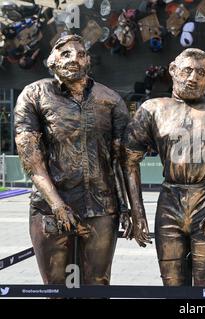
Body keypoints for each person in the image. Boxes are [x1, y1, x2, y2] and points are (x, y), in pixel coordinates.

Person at [14, 35, 131, 286]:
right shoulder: (33, 94)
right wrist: (57, 204)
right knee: (55, 287)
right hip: (50, 209)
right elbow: (32, 160)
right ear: (52, 61)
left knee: (97, 284)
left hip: (101, 207)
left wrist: (132, 209)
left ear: (88, 61)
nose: (73, 59)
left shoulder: (110, 99)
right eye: (65, 53)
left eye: (80, 54)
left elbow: (122, 160)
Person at [123, 48, 205, 286]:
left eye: (201, 72)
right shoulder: (152, 108)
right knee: (171, 282)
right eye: (187, 70)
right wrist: (137, 213)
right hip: (170, 200)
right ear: (173, 70)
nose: (193, 78)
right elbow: (129, 159)